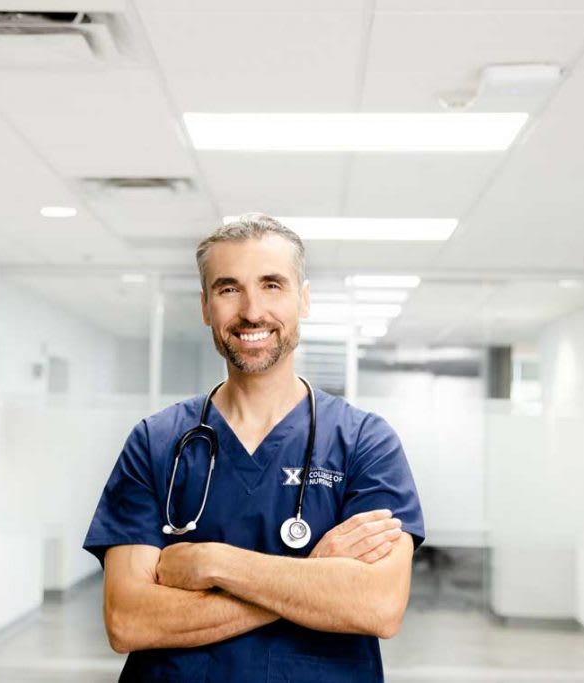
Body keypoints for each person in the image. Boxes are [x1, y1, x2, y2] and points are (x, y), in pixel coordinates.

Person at [83, 213, 424, 682]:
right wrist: (314, 573)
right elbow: (127, 620)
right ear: (205, 307)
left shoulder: (364, 442)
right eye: (228, 289)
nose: (251, 311)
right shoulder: (157, 442)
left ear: (303, 299)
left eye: (272, 285)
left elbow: (379, 605)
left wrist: (212, 562)